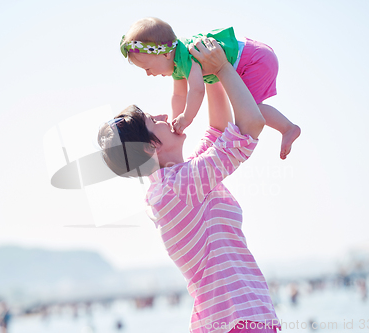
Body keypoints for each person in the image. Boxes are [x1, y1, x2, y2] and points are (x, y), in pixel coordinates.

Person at [99, 38, 280, 333]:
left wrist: (205, 69)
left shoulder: (175, 183)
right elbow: (250, 127)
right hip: (236, 320)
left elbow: (218, 131)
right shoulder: (173, 188)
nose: (161, 115)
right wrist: (222, 66)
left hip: (239, 317)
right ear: (147, 149)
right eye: (151, 120)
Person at [120, 17, 300, 159]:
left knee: (252, 111)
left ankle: (288, 128)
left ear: (166, 53)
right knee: (248, 110)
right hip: (252, 55)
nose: (148, 74)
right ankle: (287, 128)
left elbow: (197, 90)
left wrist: (186, 118)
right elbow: (179, 95)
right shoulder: (176, 64)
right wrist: (176, 120)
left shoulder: (185, 56)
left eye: (148, 68)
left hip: (254, 61)